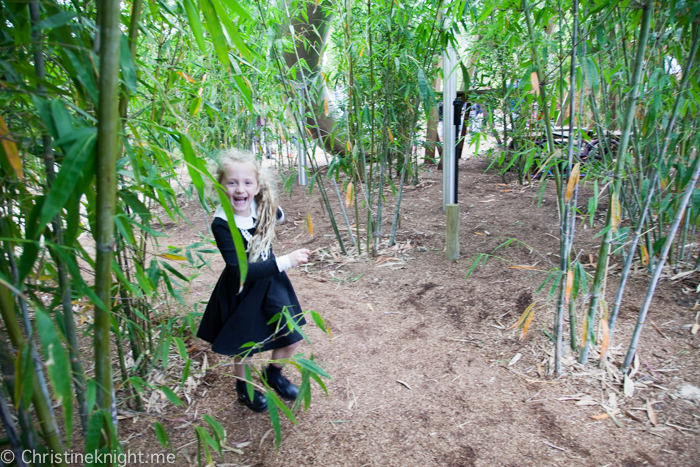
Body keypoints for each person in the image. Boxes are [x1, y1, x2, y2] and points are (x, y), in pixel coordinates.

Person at [197, 149, 311, 413]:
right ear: (220, 186)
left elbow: (277, 216)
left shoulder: (261, 205)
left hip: (272, 284)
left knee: (292, 336)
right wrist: (286, 261)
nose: (240, 189)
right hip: (242, 289)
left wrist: (274, 209)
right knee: (245, 345)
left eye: (247, 182)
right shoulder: (222, 223)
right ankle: (244, 386)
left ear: (258, 186)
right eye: (232, 182)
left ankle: (274, 374)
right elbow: (241, 271)